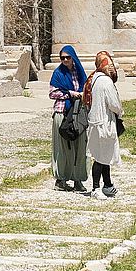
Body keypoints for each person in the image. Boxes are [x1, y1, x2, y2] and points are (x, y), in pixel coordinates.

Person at [49, 45, 88, 192]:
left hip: (78, 113)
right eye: (62, 58)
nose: (65, 60)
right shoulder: (58, 73)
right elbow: (52, 93)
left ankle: (78, 179)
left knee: (80, 147)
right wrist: (70, 94)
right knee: (62, 148)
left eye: (68, 57)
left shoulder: (80, 72)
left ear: (73, 58)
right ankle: (61, 179)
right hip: (62, 112)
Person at [86, 51, 124, 200]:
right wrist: (120, 111)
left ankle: (107, 185)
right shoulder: (106, 81)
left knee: (104, 155)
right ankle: (95, 187)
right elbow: (114, 104)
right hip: (104, 122)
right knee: (100, 157)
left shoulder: (93, 78)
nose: (111, 67)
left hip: (94, 121)